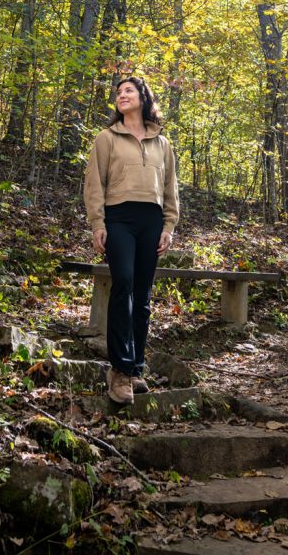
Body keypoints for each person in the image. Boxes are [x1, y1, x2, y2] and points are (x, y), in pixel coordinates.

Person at [84, 76, 179, 405]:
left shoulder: (162, 143)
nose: (121, 95)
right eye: (118, 92)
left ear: (143, 97)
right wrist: (98, 222)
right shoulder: (106, 138)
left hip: (151, 220)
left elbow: (170, 190)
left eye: (128, 90)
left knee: (142, 297)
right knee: (123, 283)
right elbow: (94, 183)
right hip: (118, 218)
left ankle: (137, 367)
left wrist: (169, 226)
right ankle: (120, 371)